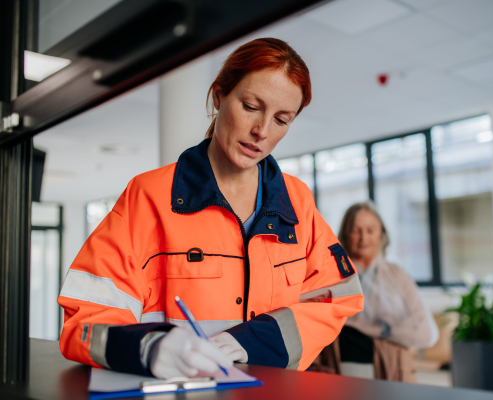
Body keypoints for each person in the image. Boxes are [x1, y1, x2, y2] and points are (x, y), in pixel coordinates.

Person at [57, 38, 363, 379]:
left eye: (282, 119)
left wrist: (253, 343)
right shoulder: (148, 196)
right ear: (219, 96)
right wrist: (149, 347)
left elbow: (336, 298)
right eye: (250, 106)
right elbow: (84, 322)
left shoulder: (297, 200)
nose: (261, 131)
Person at [336, 201, 438, 378]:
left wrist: (367, 328)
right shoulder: (332, 274)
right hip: (342, 370)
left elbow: (424, 332)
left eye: (370, 230)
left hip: (392, 371)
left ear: (381, 234)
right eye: (355, 230)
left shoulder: (397, 275)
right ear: (345, 234)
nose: (363, 238)